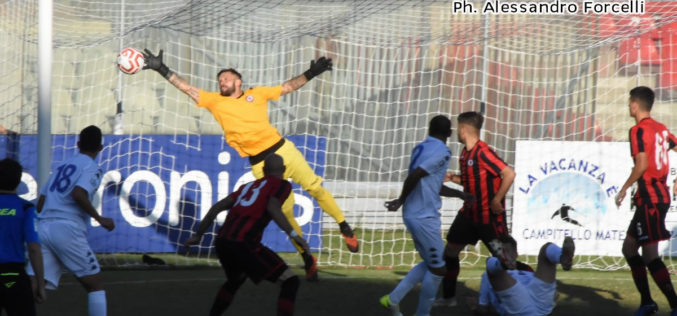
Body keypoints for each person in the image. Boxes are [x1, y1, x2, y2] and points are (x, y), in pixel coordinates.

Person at [142, 49, 358, 280]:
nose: (221, 82)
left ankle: (344, 226)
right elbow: (187, 88)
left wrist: (311, 73)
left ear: (238, 81)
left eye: (226, 78)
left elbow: (287, 87)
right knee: (285, 213)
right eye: (219, 80)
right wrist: (161, 69)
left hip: (283, 150)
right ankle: (307, 257)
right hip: (260, 164)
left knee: (315, 187)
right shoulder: (214, 101)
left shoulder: (258, 94)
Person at [184, 154, 310, 316]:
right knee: (290, 282)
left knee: (236, 279)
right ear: (284, 170)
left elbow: (216, 207)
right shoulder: (282, 184)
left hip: (222, 242)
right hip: (244, 243)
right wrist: (294, 234)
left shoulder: (248, 187)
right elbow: (273, 207)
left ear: (264, 170)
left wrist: (198, 235)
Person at [379, 115, 471, 316]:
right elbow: (416, 175)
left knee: (432, 263)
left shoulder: (420, 148)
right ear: (449, 133)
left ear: (429, 130)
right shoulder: (443, 152)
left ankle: (393, 300)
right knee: (439, 269)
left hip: (417, 213)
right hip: (423, 216)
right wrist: (401, 199)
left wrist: (460, 194)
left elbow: (431, 184)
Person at [26, 125, 115, 316]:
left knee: (33, 282)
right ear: (100, 148)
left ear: (78, 144)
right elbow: (78, 193)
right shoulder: (92, 168)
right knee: (96, 284)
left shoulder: (62, 166)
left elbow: (40, 202)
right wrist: (99, 218)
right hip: (66, 229)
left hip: (43, 226)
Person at [436, 111, 516, 307]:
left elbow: (509, 173)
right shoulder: (465, 153)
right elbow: (471, 181)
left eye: (458, 128)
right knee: (450, 252)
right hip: (469, 215)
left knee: (506, 260)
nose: (456, 132)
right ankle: (448, 298)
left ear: (463, 129)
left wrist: (497, 200)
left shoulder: (483, 151)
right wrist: (453, 178)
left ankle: (535, 291)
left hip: (488, 218)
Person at [615, 86, 677, 316]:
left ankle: (674, 304)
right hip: (653, 198)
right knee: (629, 248)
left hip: (652, 197)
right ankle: (647, 302)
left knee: (649, 254)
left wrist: (624, 187)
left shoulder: (638, 131)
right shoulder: (661, 129)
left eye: (629, 101)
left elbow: (641, 165)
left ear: (634, 104)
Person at [476, 236, 575, 316]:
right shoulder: (526, 269)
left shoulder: (525, 268)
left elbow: (483, 308)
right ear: (516, 254)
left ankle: (562, 257)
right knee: (546, 249)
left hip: (523, 307)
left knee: (490, 266)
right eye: (504, 253)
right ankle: (561, 256)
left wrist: (478, 306)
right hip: (540, 305)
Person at [0, 158, 46, 316]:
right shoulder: (25, 207)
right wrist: (40, 284)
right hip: (14, 275)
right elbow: (34, 248)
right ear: (19, 180)